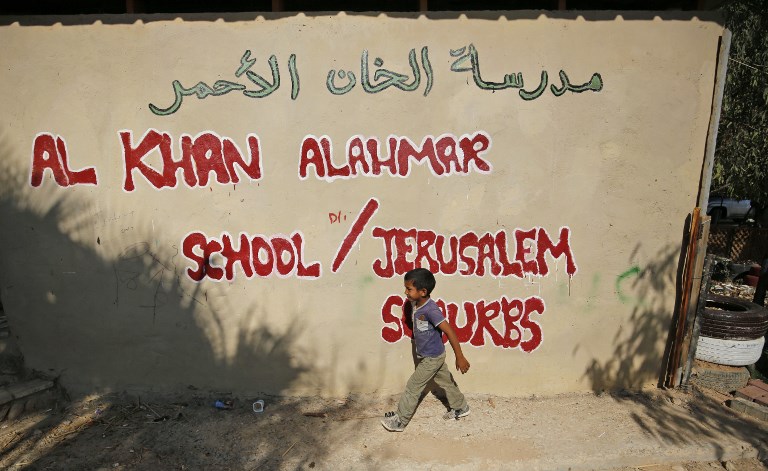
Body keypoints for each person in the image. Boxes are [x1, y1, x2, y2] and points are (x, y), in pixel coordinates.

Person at [381, 268, 471, 432]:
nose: (405, 292)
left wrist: (460, 356)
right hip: (432, 355)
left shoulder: (431, 310)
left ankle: (400, 420)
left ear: (423, 292)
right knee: (446, 381)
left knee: (413, 386)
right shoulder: (416, 304)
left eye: (409, 289)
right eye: (406, 288)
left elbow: (449, 331)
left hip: (432, 358)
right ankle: (461, 408)